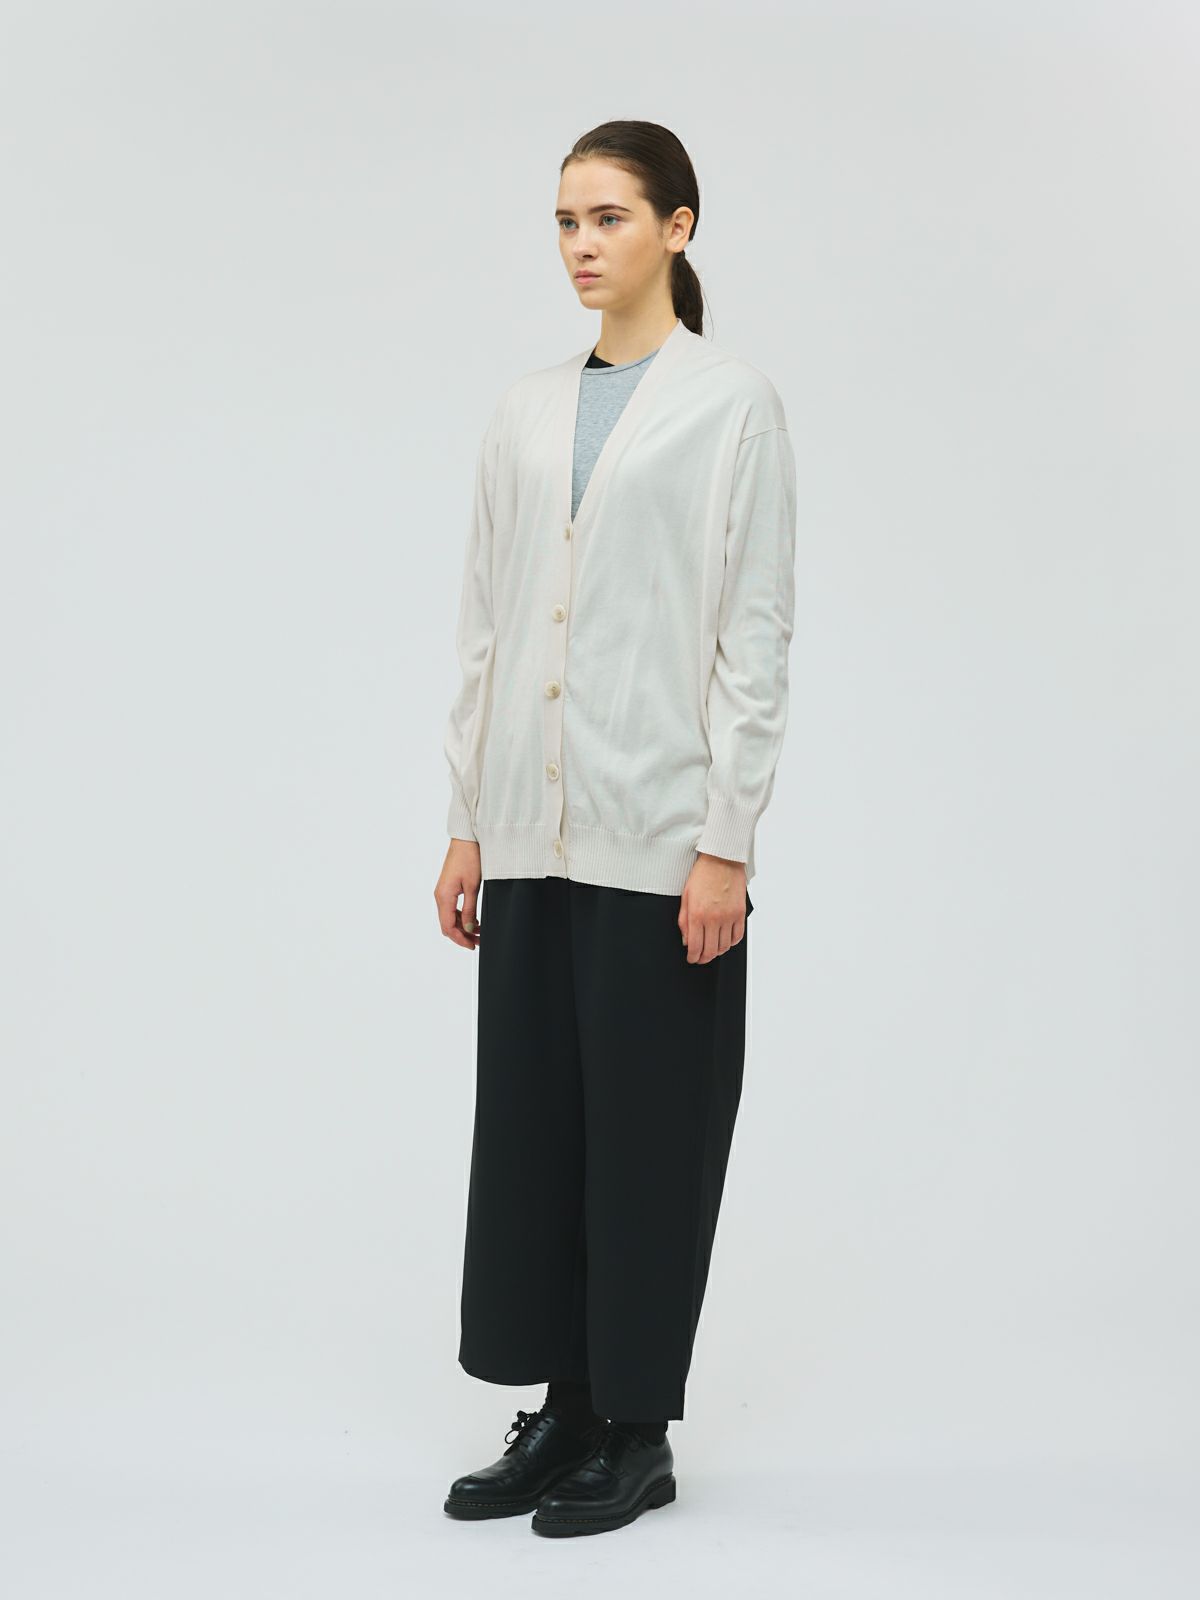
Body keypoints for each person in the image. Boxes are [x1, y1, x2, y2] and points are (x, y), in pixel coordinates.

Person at [435, 120, 797, 1538]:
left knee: (648, 1137)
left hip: (661, 840)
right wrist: (467, 821)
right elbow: (486, 624)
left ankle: (635, 1431)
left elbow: (754, 637)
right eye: (565, 222)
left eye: (610, 218)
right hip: (530, 833)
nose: (582, 245)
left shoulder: (732, 405)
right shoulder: (526, 410)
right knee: (538, 1134)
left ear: (678, 227)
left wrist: (727, 841)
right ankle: (563, 1410)